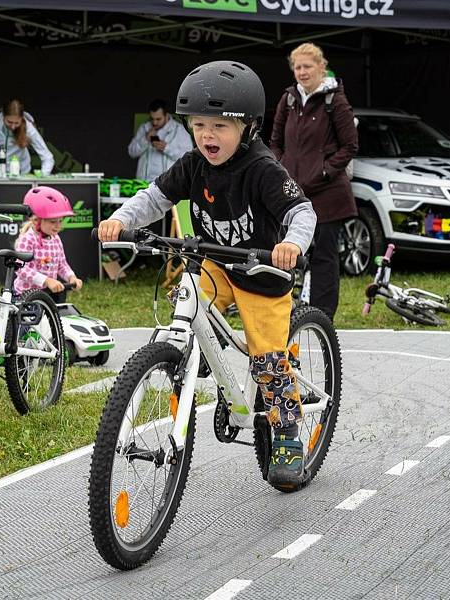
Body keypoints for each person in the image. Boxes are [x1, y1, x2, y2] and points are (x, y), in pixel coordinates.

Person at [99, 61, 317, 489]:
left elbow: (301, 211)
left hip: (262, 276)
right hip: (216, 265)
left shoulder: (262, 168)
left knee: (270, 362)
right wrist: (120, 219)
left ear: (249, 128)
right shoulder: (193, 164)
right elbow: (155, 198)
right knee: (189, 306)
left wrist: (292, 244)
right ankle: (195, 361)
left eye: (220, 125)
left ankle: (288, 433)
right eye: (198, 125)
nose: (207, 135)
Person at [269, 42, 358, 321]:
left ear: (321, 66)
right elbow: (275, 141)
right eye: (297, 67)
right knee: (288, 254)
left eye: (308, 66)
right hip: (293, 194)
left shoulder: (336, 100)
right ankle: (286, 312)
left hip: (328, 195)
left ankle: (321, 319)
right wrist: (281, 169)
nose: (302, 72)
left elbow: (350, 146)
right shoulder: (289, 98)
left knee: (323, 260)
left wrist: (323, 172)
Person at [14, 186, 82, 303]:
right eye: (53, 222)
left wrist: (71, 277)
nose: (58, 226)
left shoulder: (56, 239)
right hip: (26, 297)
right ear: (36, 220)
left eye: (60, 221)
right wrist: (46, 280)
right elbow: (21, 269)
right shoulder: (28, 239)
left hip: (48, 295)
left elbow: (61, 264)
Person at [0, 99, 54, 176]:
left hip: (21, 175)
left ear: (21, 118)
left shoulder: (28, 127)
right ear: (3, 115)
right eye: (9, 122)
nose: (13, 127)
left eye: (17, 123)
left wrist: (43, 175)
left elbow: (47, 157)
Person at [127, 98, 193, 181]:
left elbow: (188, 158)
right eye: (152, 118)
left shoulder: (180, 130)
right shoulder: (144, 128)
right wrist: (145, 139)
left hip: (168, 184)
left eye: (158, 119)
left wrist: (166, 148)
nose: (154, 122)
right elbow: (131, 152)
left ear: (166, 115)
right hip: (144, 184)